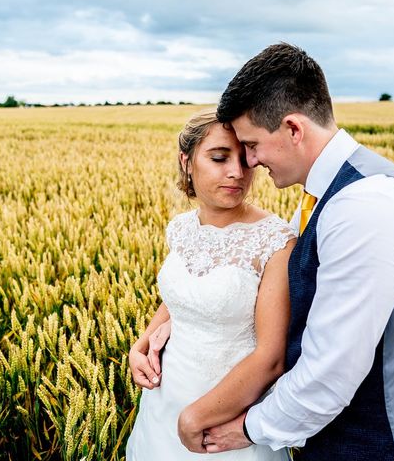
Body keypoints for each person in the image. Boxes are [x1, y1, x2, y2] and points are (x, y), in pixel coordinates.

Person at [173, 43, 394, 460]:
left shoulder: (365, 207)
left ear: (293, 129)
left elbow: (331, 374)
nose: (249, 162)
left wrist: (248, 429)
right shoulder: (334, 194)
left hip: (376, 448)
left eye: (251, 144)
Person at [125, 108, 296, 460]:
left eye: (246, 160)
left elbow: (271, 357)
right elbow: (182, 298)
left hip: (224, 418)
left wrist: (196, 416)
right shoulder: (181, 228)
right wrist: (140, 345)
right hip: (162, 400)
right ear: (186, 161)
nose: (236, 172)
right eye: (219, 158)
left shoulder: (274, 240)